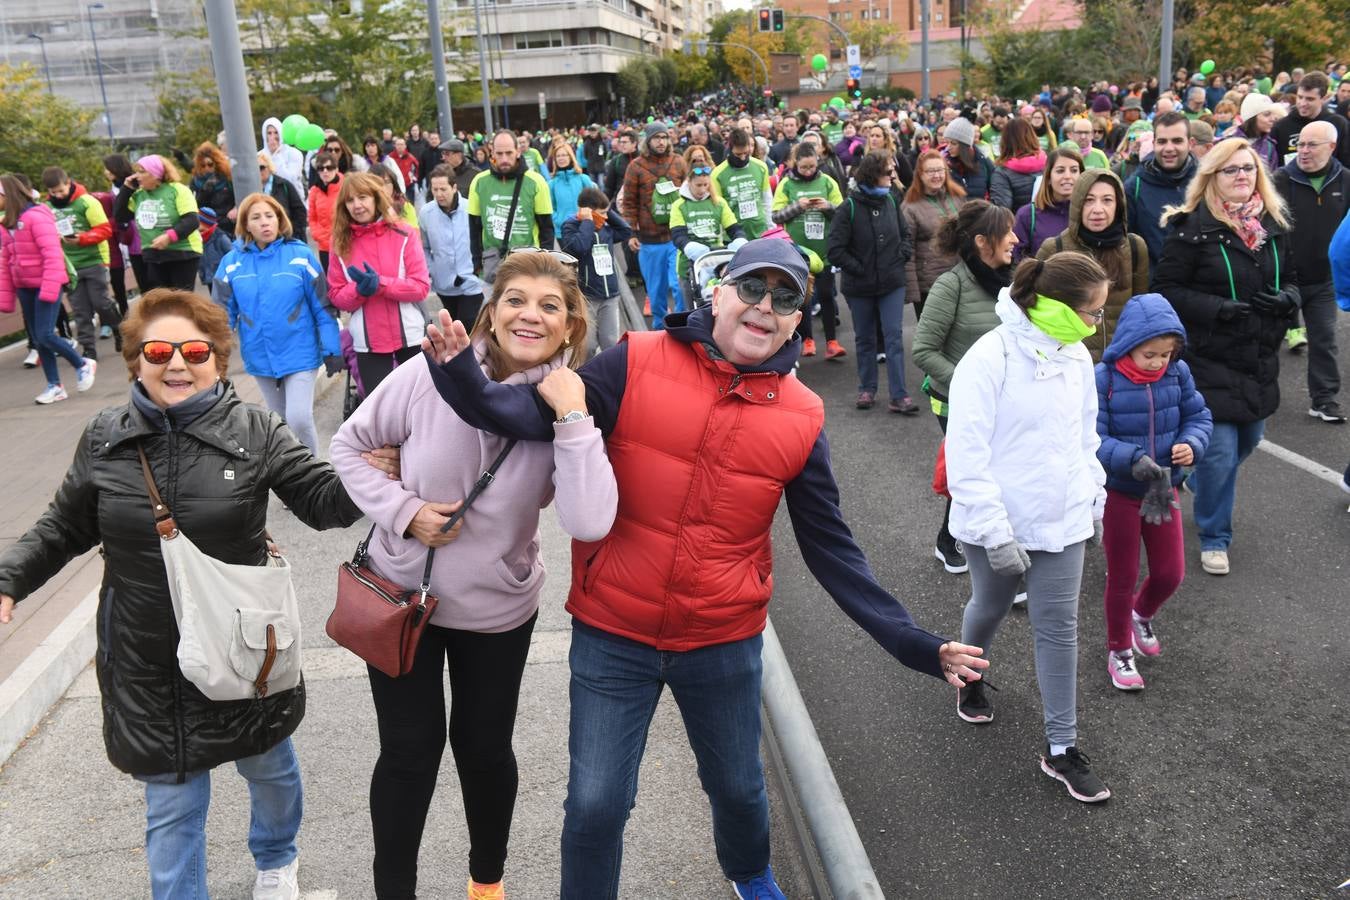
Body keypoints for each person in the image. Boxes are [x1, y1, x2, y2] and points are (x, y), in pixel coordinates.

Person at [419, 237, 988, 899]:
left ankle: (749, 876)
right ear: (718, 293)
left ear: (797, 320)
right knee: (596, 804)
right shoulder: (634, 360)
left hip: (722, 640)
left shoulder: (803, 418)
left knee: (741, 792)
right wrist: (459, 368)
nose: (764, 307)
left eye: (784, 298)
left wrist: (919, 645)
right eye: (752, 288)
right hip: (614, 633)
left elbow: (833, 552)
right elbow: (518, 415)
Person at [0, 288, 394, 898]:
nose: (176, 363)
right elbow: (63, 526)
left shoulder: (254, 430)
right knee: (172, 808)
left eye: (194, 350)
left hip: (241, 646)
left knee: (269, 768)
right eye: (157, 350)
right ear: (134, 359)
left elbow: (320, 500)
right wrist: (9, 581)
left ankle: (276, 860)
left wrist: (375, 471)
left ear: (217, 357)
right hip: (145, 656)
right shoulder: (106, 435)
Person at [330, 251, 616, 900]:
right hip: (400, 595)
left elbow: (589, 519)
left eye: (549, 305)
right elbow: (348, 446)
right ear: (491, 310)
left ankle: (486, 881)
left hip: (497, 609)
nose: (529, 315)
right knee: (408, 751)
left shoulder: (566, 405)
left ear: (572, 325)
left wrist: (572, 420)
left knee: (484, 751)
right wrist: (405, 513)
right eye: (515, 299)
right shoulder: (428, 375)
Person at [946, 252, 1111, 803]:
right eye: (1091, 313)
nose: (1096, 324)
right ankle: (967, 677)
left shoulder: (1078, 359)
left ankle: (1061, 749)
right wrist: (995, 533)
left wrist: (1094, 497)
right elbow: (965, 456)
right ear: (1055, 306)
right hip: (998, 523)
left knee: (1058, 627)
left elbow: (1085, 439)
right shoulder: (988, 358)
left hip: (1063, 522)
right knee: (989, 607)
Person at [1153, 138, 1297, 577]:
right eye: (1231, 170)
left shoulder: (1272, 226)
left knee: (1249, 439)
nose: (1241, 177)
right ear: (1212, 176)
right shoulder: (1189, 229)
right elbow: (1166, 290)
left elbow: (1294, 279)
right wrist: (1216, 308)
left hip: (1257, 356)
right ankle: (1215, 537)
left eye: (1248, 169)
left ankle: (1191, 479)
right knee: (1219, 452)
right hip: (1208, 357)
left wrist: (1286, 299)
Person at [1094, 293, 1212, 691]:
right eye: (1150, 354)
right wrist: (1130, 458)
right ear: (1128, 344)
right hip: (1121, 492)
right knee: (1122, 574)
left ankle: (1140, 614)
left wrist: (1192, 443)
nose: (1159, 362)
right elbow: (1092, 436)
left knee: (1170, 572)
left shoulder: (1178, 374)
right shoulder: (1104, 378)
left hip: (1165, 490)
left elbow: (1199, 416)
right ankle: (1118, 649)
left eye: (1166, 354)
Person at [911, 200, 1016, 574]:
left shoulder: (1013, 281)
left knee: (993, 468)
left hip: (1003, 398)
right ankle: (950, 540)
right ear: (983, 242)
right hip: (953, 400)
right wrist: (972, 384)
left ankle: (964, 538)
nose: (1016, 240)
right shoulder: (950, 285)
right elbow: (923, 349)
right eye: (1008, 233)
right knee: (973, 468)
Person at [213, 192, 340, 455]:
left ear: (280, 220)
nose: (264, 223)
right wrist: (215, 356)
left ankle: (314, 475)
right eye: (256, 217)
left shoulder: (300, 255)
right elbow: (220, 314)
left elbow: (322, 305)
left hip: (300, 350)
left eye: (269, 216)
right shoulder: (231, 263)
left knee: (299, 418)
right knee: (277, 422)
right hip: (259, 354)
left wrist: (332, 348)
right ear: (246, 225)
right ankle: (290, 477)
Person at [327, 171, 432, 395]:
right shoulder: (339, 242)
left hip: (410, 337)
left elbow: (421, 286)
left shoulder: (405, 233)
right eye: (350, 200)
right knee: (382, 415)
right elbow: (336, 295)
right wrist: (359, 290)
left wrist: (380, 285)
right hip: (368, 342)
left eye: (363, 197)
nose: (357, 205)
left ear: (376, 198)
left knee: (419, 406)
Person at [1273, 121, 1350, 422]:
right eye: (1300, 145)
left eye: (1311, 145)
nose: (1303, 151)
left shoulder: (1345, 180)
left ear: (1331, 147)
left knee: (1324, 339)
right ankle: (1257, 399)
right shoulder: (1280, 179)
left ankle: (1324, 400)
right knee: (1266, 340)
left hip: (1324, 281)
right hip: (1284, 279)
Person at [827, 150, 915, 412]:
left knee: (894, 337)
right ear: (873, 174)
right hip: (860, 286)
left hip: (891, 282)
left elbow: (905, 235)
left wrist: (899, 257)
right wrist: (860, 269)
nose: (892, 176)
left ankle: (899, 395)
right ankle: (867, 389)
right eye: (888, 172)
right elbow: (835, 250)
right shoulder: (849, 207)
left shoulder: (890, 201)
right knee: (864, 338)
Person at [0, 173, 94, 404]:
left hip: (45, 284)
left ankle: (82, 364)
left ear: (6, 195)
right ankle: (55, 385)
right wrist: (6, 294)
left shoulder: (37, 216)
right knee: (38, 338)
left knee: (45, 334)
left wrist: (51, 289)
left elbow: (52, 255)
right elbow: (5, 259)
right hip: (25, 286)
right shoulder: (7, 224)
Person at [1037, 169, 1150, 361]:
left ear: (1118, 205)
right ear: (1078, 204)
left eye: (1107, 200)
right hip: (1070, 363)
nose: (1098, 209)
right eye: (1089, 200)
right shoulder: (1055, 248)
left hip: (1120, 363)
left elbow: (1140, 310)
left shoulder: (1134, 246)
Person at [41, 166, 124, 359]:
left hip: (94, 259)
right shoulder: (47, 208)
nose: (58, 195)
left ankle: (119, 329)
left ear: (68, 183)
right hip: (70, 265)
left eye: (61, 191)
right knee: (80, 309)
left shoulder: (87, 202)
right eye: (53, 192)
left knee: (101, 303)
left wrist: (82, 238)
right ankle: (89, 349)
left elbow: (105, 230)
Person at [773, 142, 843, 360]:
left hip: (824, 252)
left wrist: (828, 207)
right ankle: (807, 340)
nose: (808, 171)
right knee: (803, 298)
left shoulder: (827, 182)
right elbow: (775, 216)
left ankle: (832, 341)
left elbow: (842, 213)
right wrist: (798, 206)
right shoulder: (786, 184)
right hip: (798, 253)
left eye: (812, 166)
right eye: (804, 167)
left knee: (826, 295)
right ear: (796, 164)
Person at [620, 121, 687, 329]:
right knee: (656, 291)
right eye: (657, 138)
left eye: (664, 137)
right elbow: (629, 203)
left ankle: (682, 325)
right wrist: (631, 233)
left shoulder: (678, 162)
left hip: (676, 239)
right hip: (649, 242)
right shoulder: (635, 166)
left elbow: (689, 196)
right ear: (647, 141)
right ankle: (660, 329)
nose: (661, 142)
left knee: (678, 286)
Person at [468, 130, 555, 283]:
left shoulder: (537, 182)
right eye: (499, 153)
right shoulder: (479, 182)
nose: (504, 159)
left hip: (529, 264)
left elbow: (546, 229)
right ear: (492, 152)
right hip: (493, 265)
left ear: (518, 151)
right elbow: (474, 228)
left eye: (509, 153)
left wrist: (545, 265)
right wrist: (477, 263)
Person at [113, 154, 203, 291]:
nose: (137, 176)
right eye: (136, 172)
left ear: (156, 174)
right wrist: (126, 189)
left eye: (142, 172)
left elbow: (192, 221)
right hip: (153, 254)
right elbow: (120, 216)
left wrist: (169, 237)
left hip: (182, 253)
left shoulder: (178, 190)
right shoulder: (139, 195)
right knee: (162, 303)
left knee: (180, 302)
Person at [561, 186, 632, 355]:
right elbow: (579, 247)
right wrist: (587, 222)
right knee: (588, 345)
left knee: (610, 342)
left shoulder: (606, 228)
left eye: (607, 213)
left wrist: (607, 210)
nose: (606, 217)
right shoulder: (570, 227)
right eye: (602, 213)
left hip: (610, 295)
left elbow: (625, 230)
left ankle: (610, 376)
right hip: (588, 297)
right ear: (588, 212)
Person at [1124, 111, 1197, 266]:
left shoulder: (1206, 181)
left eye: (1177, 141)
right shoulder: (1134, 187)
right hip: (1155, 284)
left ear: (1190, 144)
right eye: (1162, 141)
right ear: (1154, 144)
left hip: (1200, 285)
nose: (1169, 148)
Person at [903, 149, 966, 321]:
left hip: (960, 278)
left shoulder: (957, 197)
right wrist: (913, 290)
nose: (937, 175)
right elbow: (908, 252)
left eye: (940, 170)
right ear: (920, 175)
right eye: (931, 171)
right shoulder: (910, 207)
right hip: (930, 285)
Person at [670, 163, 743, 311]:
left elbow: (734, 228)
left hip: (717, 261)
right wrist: (689, 246)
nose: (702, 189)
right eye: (698, 185)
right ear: (689, 182)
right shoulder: (679, 205)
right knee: (693, 309)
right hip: (689, 264)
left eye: (706, 185)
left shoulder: (719, 202)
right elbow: (678, 236)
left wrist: (740, 239)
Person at [421, 164, 484, 327]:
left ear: (454, 187)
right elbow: (424, 247)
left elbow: (482, 240)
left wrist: (480, 267)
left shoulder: (471, 208)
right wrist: (431, 268)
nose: (439, 194)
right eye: (435, 190)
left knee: (468, 324)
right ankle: (459, 353)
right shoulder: (426, 213)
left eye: (443, 189)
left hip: (471, 279)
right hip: (444, 282)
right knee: (452, 324)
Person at [1012, 146, 1081, 261]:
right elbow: (1016, 259)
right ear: (1048, 177)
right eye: (1060, 171)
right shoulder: (1027, 215)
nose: (1068, 176)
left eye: (1074, 170)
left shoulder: (1088, 213)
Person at [1272, 71, 1350, 168]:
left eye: (1310, 99)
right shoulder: (1281, 126)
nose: (1303, 103)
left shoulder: (1338, 124)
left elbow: (1346, 162)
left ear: (1323, 98)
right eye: (1300, 97)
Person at [712, 128, 773, 240]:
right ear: (730, 149)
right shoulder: (718, 174)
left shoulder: (761, 167)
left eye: (746, 153)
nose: (743, 157)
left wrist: (770, 228)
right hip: (733, 236)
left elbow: (767, 199)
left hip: (760, 232)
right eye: (738, 154)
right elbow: (717, 209)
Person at [991, 118, 1047, 212]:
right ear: (1032, 136)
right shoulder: (1048, 163)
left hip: (1019, 224)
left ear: (1005, 140)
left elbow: (1002, 209)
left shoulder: (1002, 172)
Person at [257, 151, 308, 243]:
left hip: (287, 237)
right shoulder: (253, 189)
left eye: (261, 167)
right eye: (255, 168)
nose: (259, 171)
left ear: (269, 167)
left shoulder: (284, 184)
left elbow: (300, 211)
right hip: (265, 238)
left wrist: (290, 232)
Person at [547, 142, 595, 233]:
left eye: (564, 155)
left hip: (584, 227)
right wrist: (558, 220)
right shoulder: (552, 184)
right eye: (558, 156)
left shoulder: (583, 179)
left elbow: (594, 202)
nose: (561, 158)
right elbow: (550, 207)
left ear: (571, 157)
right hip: (562, 230)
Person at [943, 117, 995, 201]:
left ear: (965, 145)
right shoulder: (944, 163)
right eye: (947, 142)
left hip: (980, 212)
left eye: (953, 143)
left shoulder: (984, 162)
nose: (948, 147)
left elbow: (996, 193)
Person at [308, 150, 344, 273]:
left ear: (336, 168)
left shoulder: (346, 186)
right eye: (321, 168)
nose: (325, 171)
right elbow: (312, 217)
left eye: (329, 167)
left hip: (344, 241)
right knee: (330, 279)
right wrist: (318, 235)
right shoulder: (314, 191)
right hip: (324, 245)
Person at [190, 142, 236, 232]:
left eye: (210, 164)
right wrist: (205, 190)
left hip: (227, 222)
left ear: (216, 163)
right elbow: (195, 205)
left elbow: (237, 197)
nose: (207, 168)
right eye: (203, 165)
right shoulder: (196, 181)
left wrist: (235, 208)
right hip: (206, 225)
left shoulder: (226, 177)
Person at [260, 116, 307, 198]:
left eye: (276, 132)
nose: (272, 137)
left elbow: (290, 179)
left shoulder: (294, 153)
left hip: (292, 200)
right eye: (269, 133)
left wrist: (276, 155)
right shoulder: (259, 155)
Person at [1237, 93, 1282, 173]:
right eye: (1266, 114)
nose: (1273, 119)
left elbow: (1271, 178)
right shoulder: (1229, 141)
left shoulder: (1269, 146)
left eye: (1273, 114)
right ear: (1251, 117)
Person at [195, 207, 233, 299]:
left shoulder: (220, 237)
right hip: (208, 276)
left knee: (223, 299)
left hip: (221, 277)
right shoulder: (197, 237)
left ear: (206, 223)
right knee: (214, 299)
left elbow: (231, 255)